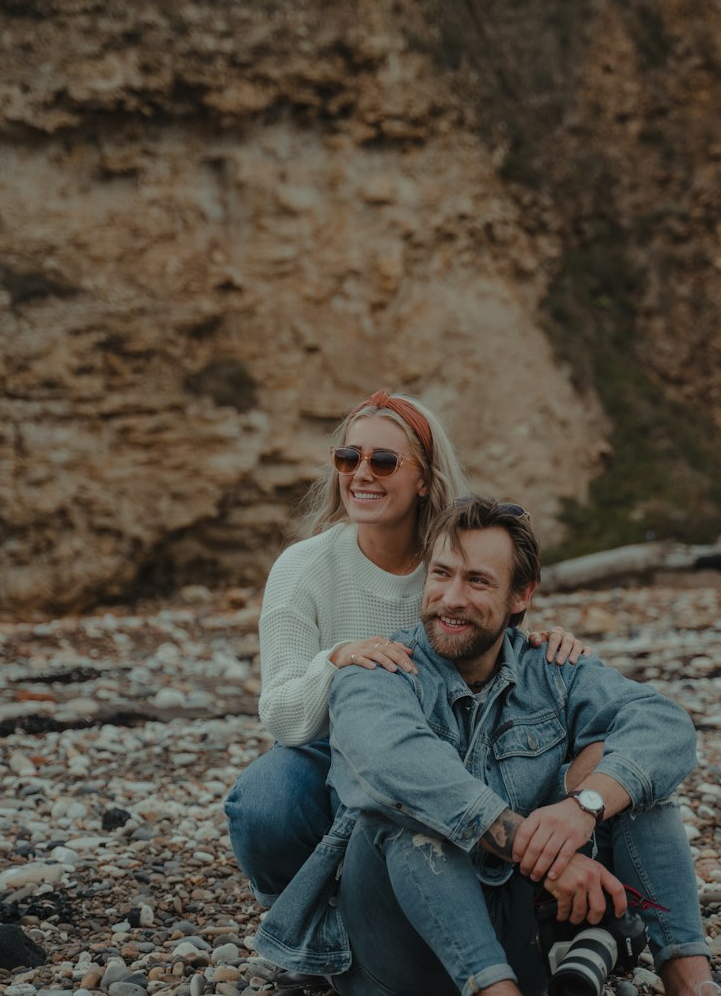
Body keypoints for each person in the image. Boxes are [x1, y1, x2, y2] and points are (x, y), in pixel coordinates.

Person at [256, 497, 721, 996]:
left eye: (477, 581)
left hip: (519, 935)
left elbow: (665, 725)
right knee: (408, 822)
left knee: (637, 787)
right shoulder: (380, 670)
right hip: (402, 966)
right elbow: (402, 769)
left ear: (522, 596)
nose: (451, 598)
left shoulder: (550, 666)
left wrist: (587, 806)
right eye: (440, 575)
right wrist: (539, 845)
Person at [225, 389, 584, 908]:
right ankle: (302, 915)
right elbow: (280, 715)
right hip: (327, 756)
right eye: (348, 457)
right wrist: (337, 660)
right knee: (263, 799)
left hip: (445, 750)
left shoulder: (450, 564)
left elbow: (490, 642)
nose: (361, 473)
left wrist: (538, 643)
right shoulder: (301, 567)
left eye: (384, 460)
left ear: (423, 478)